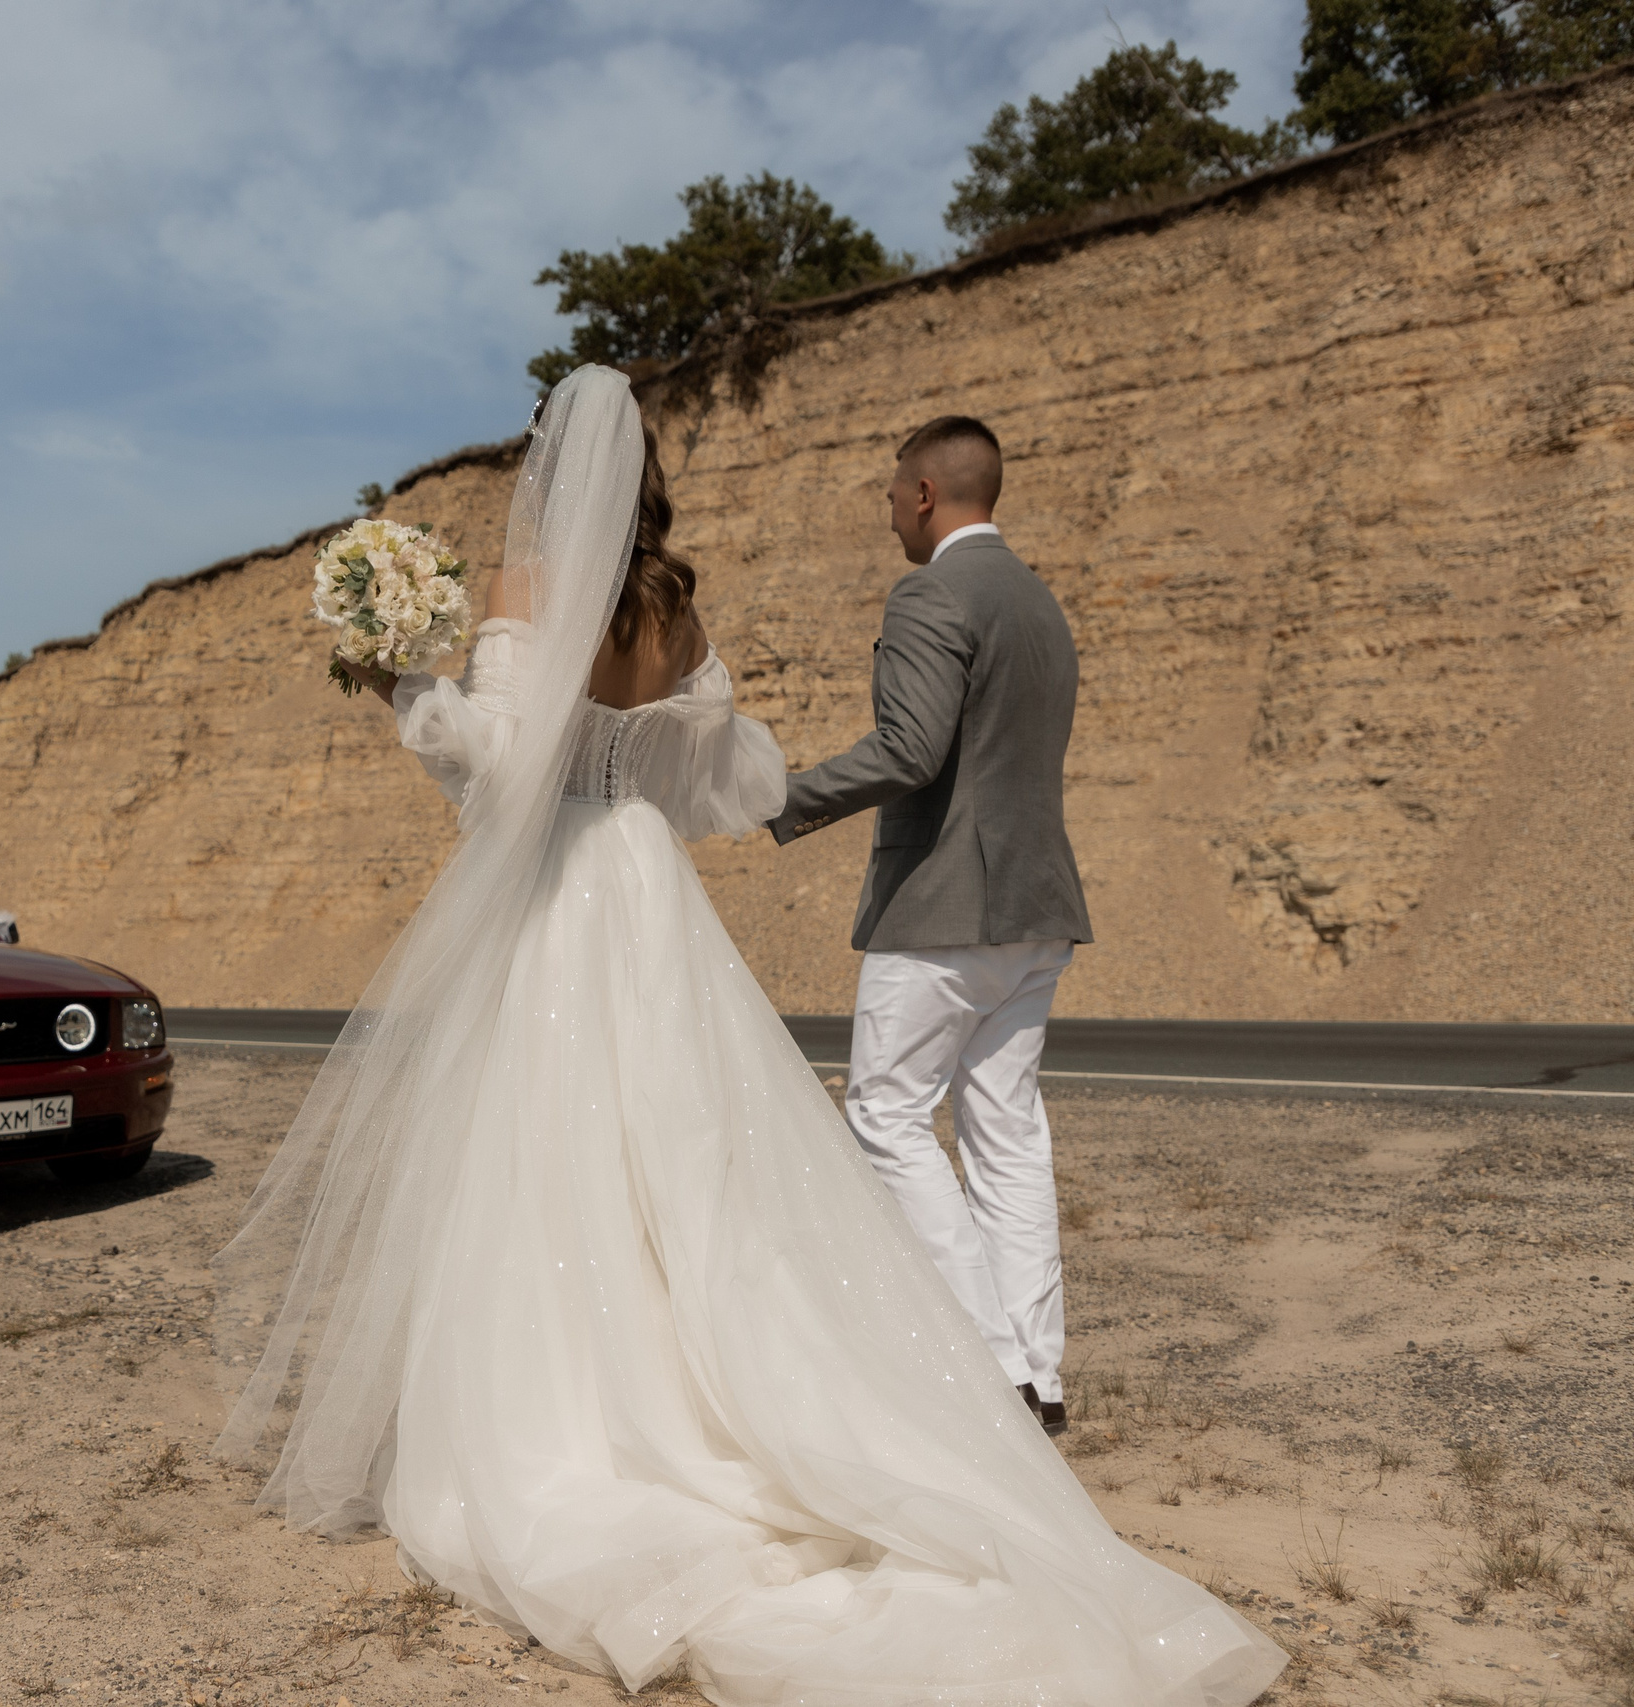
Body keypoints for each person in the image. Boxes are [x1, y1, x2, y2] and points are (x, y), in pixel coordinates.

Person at [213, 367, 1278, 1707]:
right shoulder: (672, 605)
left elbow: (489, 765)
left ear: (550, 468)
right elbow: (711, 776)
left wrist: (400, 686)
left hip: (557, 890)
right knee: (687, 1159)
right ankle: (900, 1381)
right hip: (650, 887)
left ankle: (574, 1420)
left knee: (546, 1152)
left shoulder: (520, 595)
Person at [767, 417, 1091, 1436]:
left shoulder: (930, 591)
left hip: (945, 907)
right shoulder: (1040, 604)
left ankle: (991, 1366)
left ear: (919, 492)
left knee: (887, 1116)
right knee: (1006, 1130)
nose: (887, 513)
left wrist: (784, 796)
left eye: (887, 493)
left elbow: (909, 749)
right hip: (1035, 906)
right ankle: (1041, 1370)